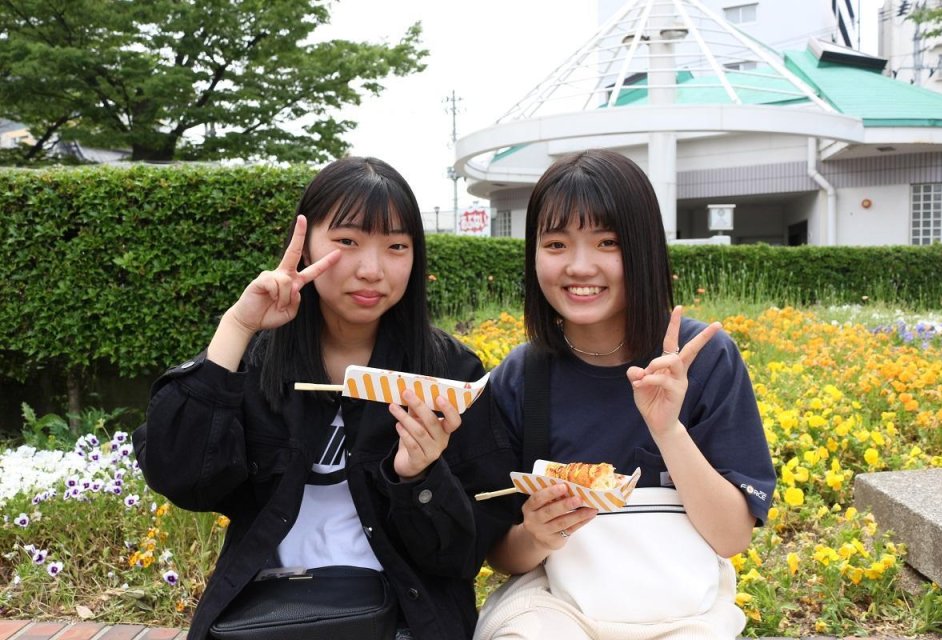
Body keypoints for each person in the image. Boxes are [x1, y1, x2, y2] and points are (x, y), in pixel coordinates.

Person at [133, 156, 517, 640]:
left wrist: (418, 476)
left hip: (402, 621)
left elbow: (463, 554)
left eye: (396, 246)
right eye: (347, 242)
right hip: (268, 620)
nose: (372, 270)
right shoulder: (259, 361)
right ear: (306, 243)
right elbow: (180, 475)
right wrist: (237, 325)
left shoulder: (449, 375)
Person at [474, 149, 776, 640]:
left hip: (681, 607)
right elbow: (502, 553)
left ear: (643, 249)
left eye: (607, 242)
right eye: (556, 244)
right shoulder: (521, 375)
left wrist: (668, 429)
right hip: (558, 603)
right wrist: (537, 534)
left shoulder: (703, 359)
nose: (579, 266)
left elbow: (731, 536)